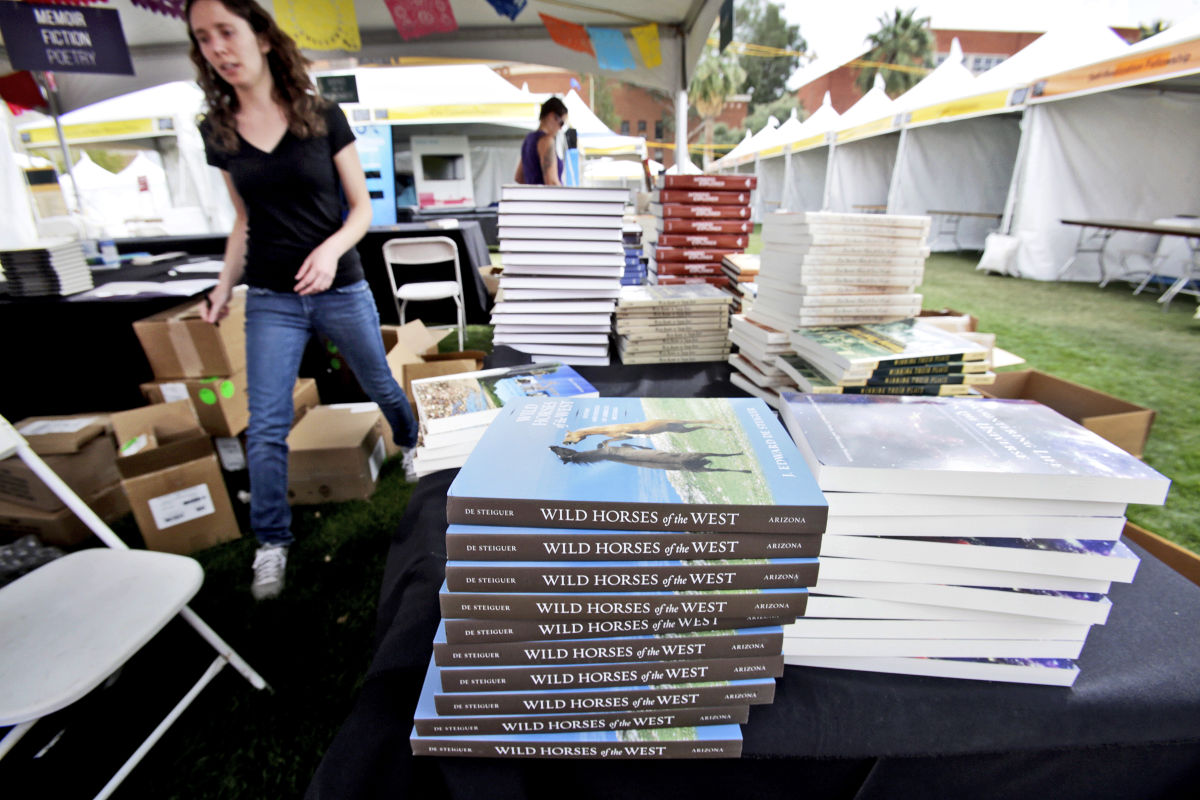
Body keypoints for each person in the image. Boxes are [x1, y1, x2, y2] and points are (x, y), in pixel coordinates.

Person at [186, 0, 419, 600]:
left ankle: (411, 446)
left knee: (380, 385)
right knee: (264, 426)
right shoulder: (217, 130)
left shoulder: (322, 114)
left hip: (340, 284)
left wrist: (329, 248)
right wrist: (220, 289)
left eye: (227, 32)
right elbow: (241, 222)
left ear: (262, 37)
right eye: (204, 38)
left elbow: (361, 208)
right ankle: (272, 543)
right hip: (270, 296)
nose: (218, 48)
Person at [515, 97, 568, 186]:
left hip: (533, 197)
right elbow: (552, 182)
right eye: (561, 123)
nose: (560, 128)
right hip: (547, 198)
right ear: (551, 116)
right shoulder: (546, 141)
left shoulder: (528, 139)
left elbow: (519, 177)